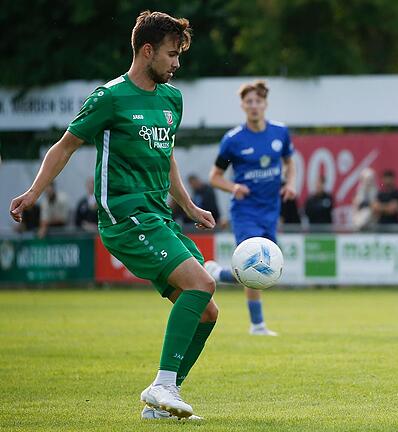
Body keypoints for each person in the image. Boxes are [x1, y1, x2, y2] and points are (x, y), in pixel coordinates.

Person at [9, 11, 217, 420]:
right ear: (146, 50)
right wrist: (35, 192)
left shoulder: (172, 99)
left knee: (207, 310)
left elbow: (167, 156)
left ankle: (163, 401)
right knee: (202, 282)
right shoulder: (110, 98)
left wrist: (189, 206)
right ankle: (161, 385)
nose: (177, 64)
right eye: (172, 55)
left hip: (158, 218)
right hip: (124, 218)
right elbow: (65, 146)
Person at [205, 80, 296, 336]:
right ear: (243, 106)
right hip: (245, 211)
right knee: (254, 264)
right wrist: (233, 187)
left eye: (258, 101)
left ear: (265, 104)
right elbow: (215, 176)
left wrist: (290, 183)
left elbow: (291, 162)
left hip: (271, 209)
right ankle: (257, 325)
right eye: (249, 102)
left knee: (266, 271)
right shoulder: (233, 140)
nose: (253, 106)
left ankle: (218, 273)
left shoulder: (280, 132)